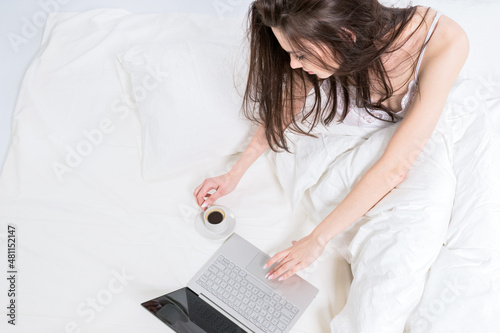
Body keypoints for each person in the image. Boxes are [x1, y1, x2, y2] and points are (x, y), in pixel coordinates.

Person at [193, 0, 469, 282]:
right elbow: (292, 97)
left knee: (414, 241)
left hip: (413, 146)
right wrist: (234, 173)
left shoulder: (445, 41)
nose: (292, 63)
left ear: (346, 36)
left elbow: (396, 166)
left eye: (300, 55)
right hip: (372, 145)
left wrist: (317, 240)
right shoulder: (322, 34)